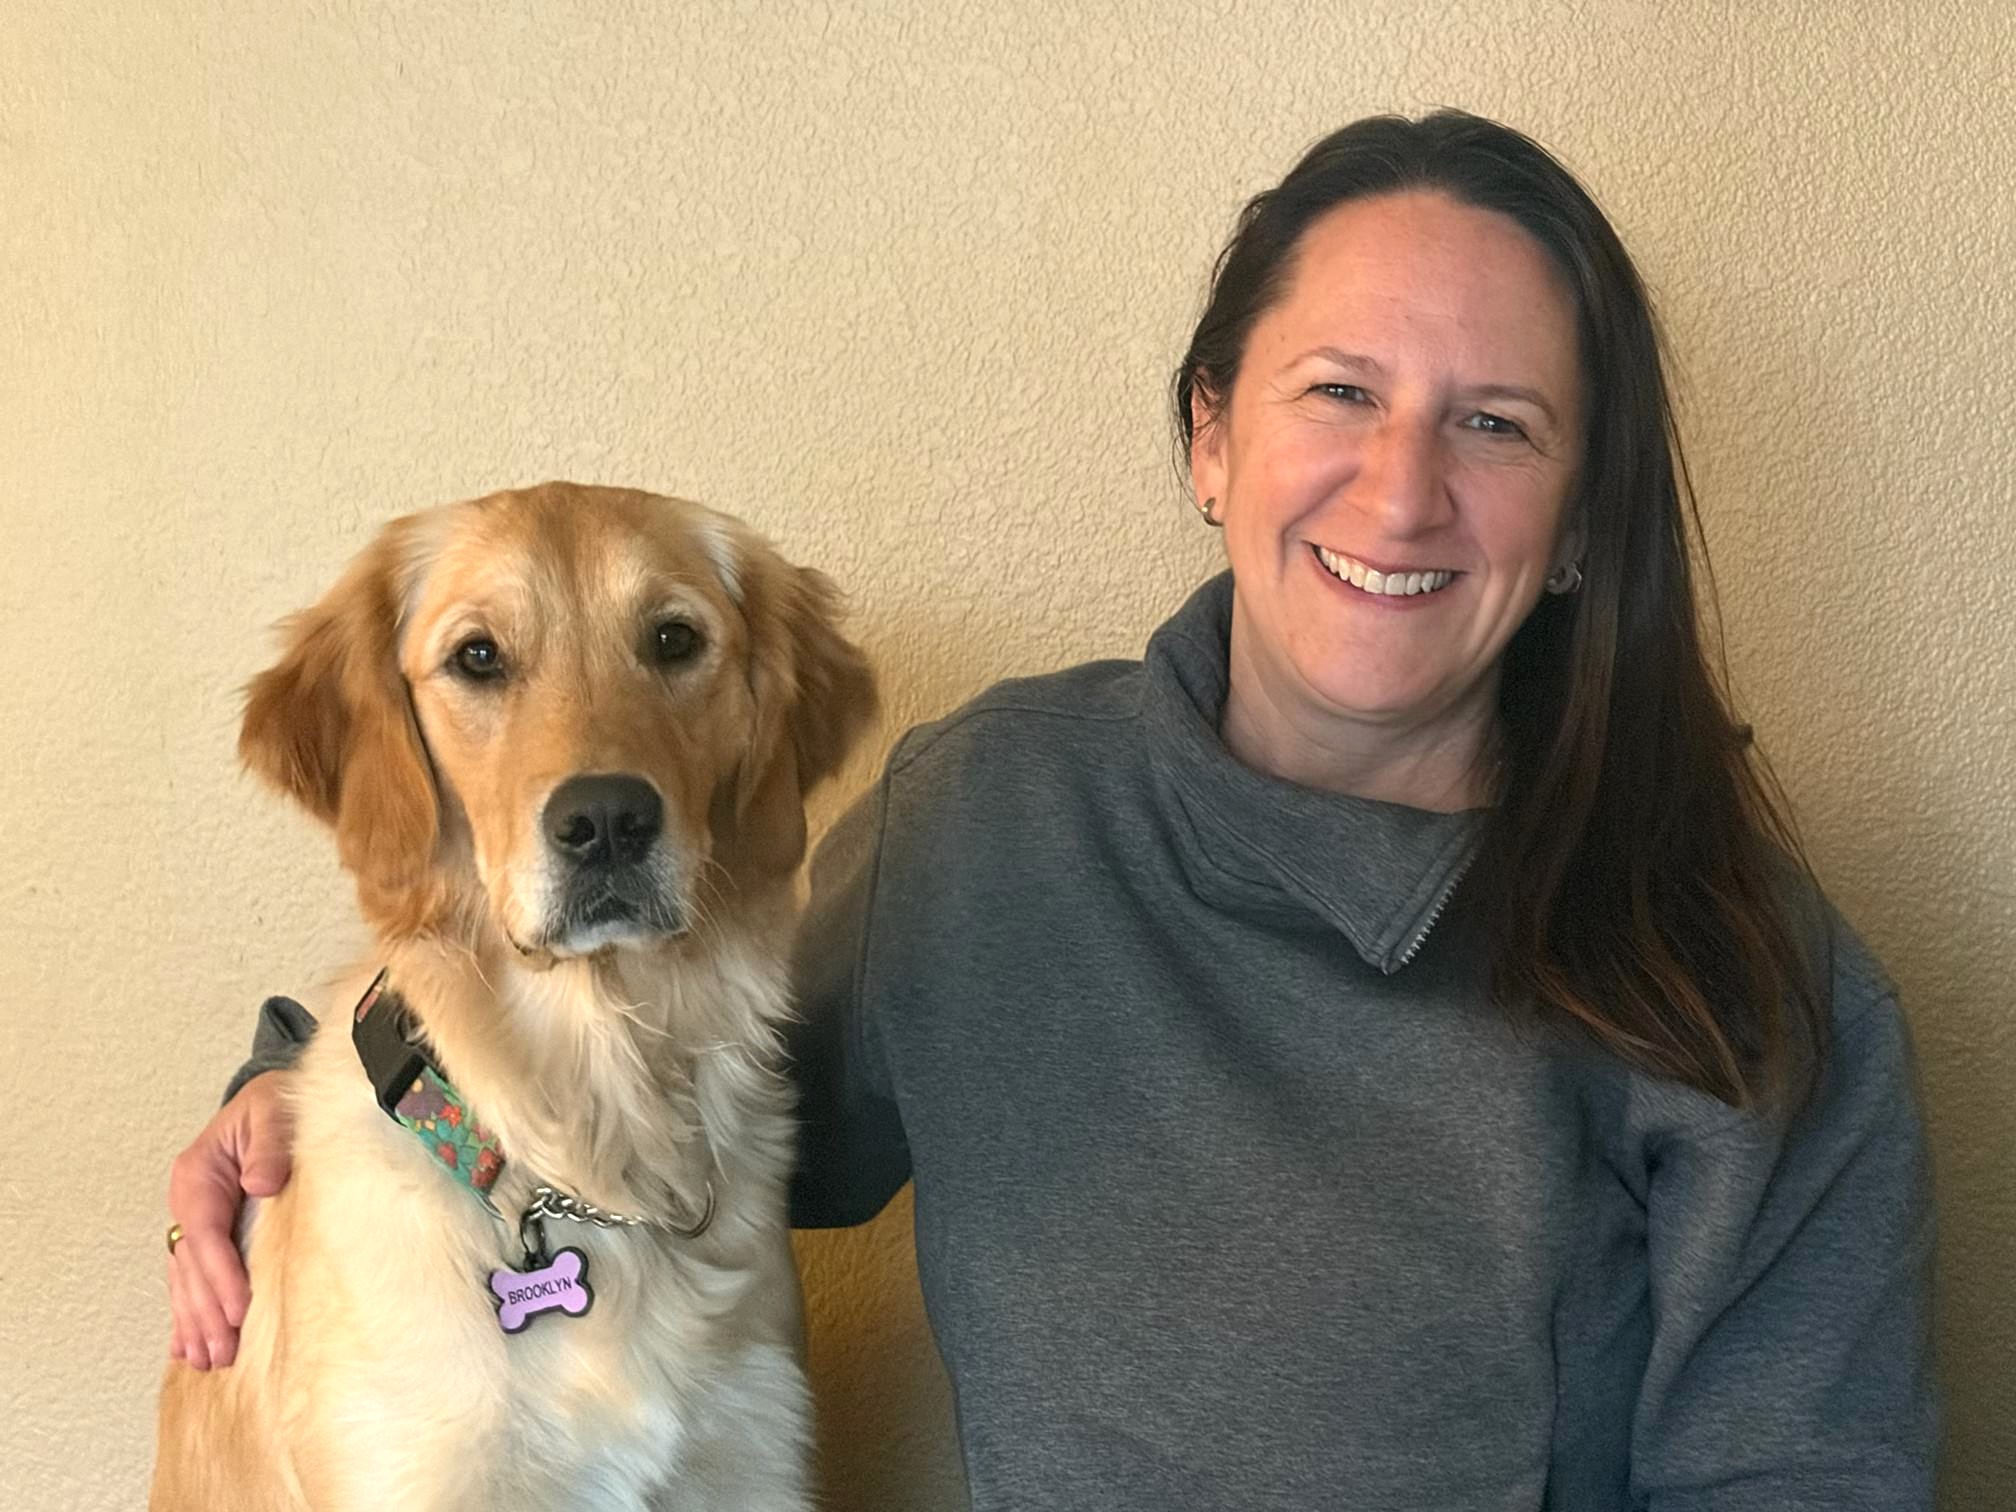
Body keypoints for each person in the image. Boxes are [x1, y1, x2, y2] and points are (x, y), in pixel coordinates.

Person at [165, 110, 1936, 1508]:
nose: (1401, 493)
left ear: (1579, 524)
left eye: (1497, 423)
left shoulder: (1742, 970)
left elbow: (1807, 1481)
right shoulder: (998, 818)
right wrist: (299, 1091)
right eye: (1340, 394)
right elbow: (661, 1094)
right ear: (1210, 439)